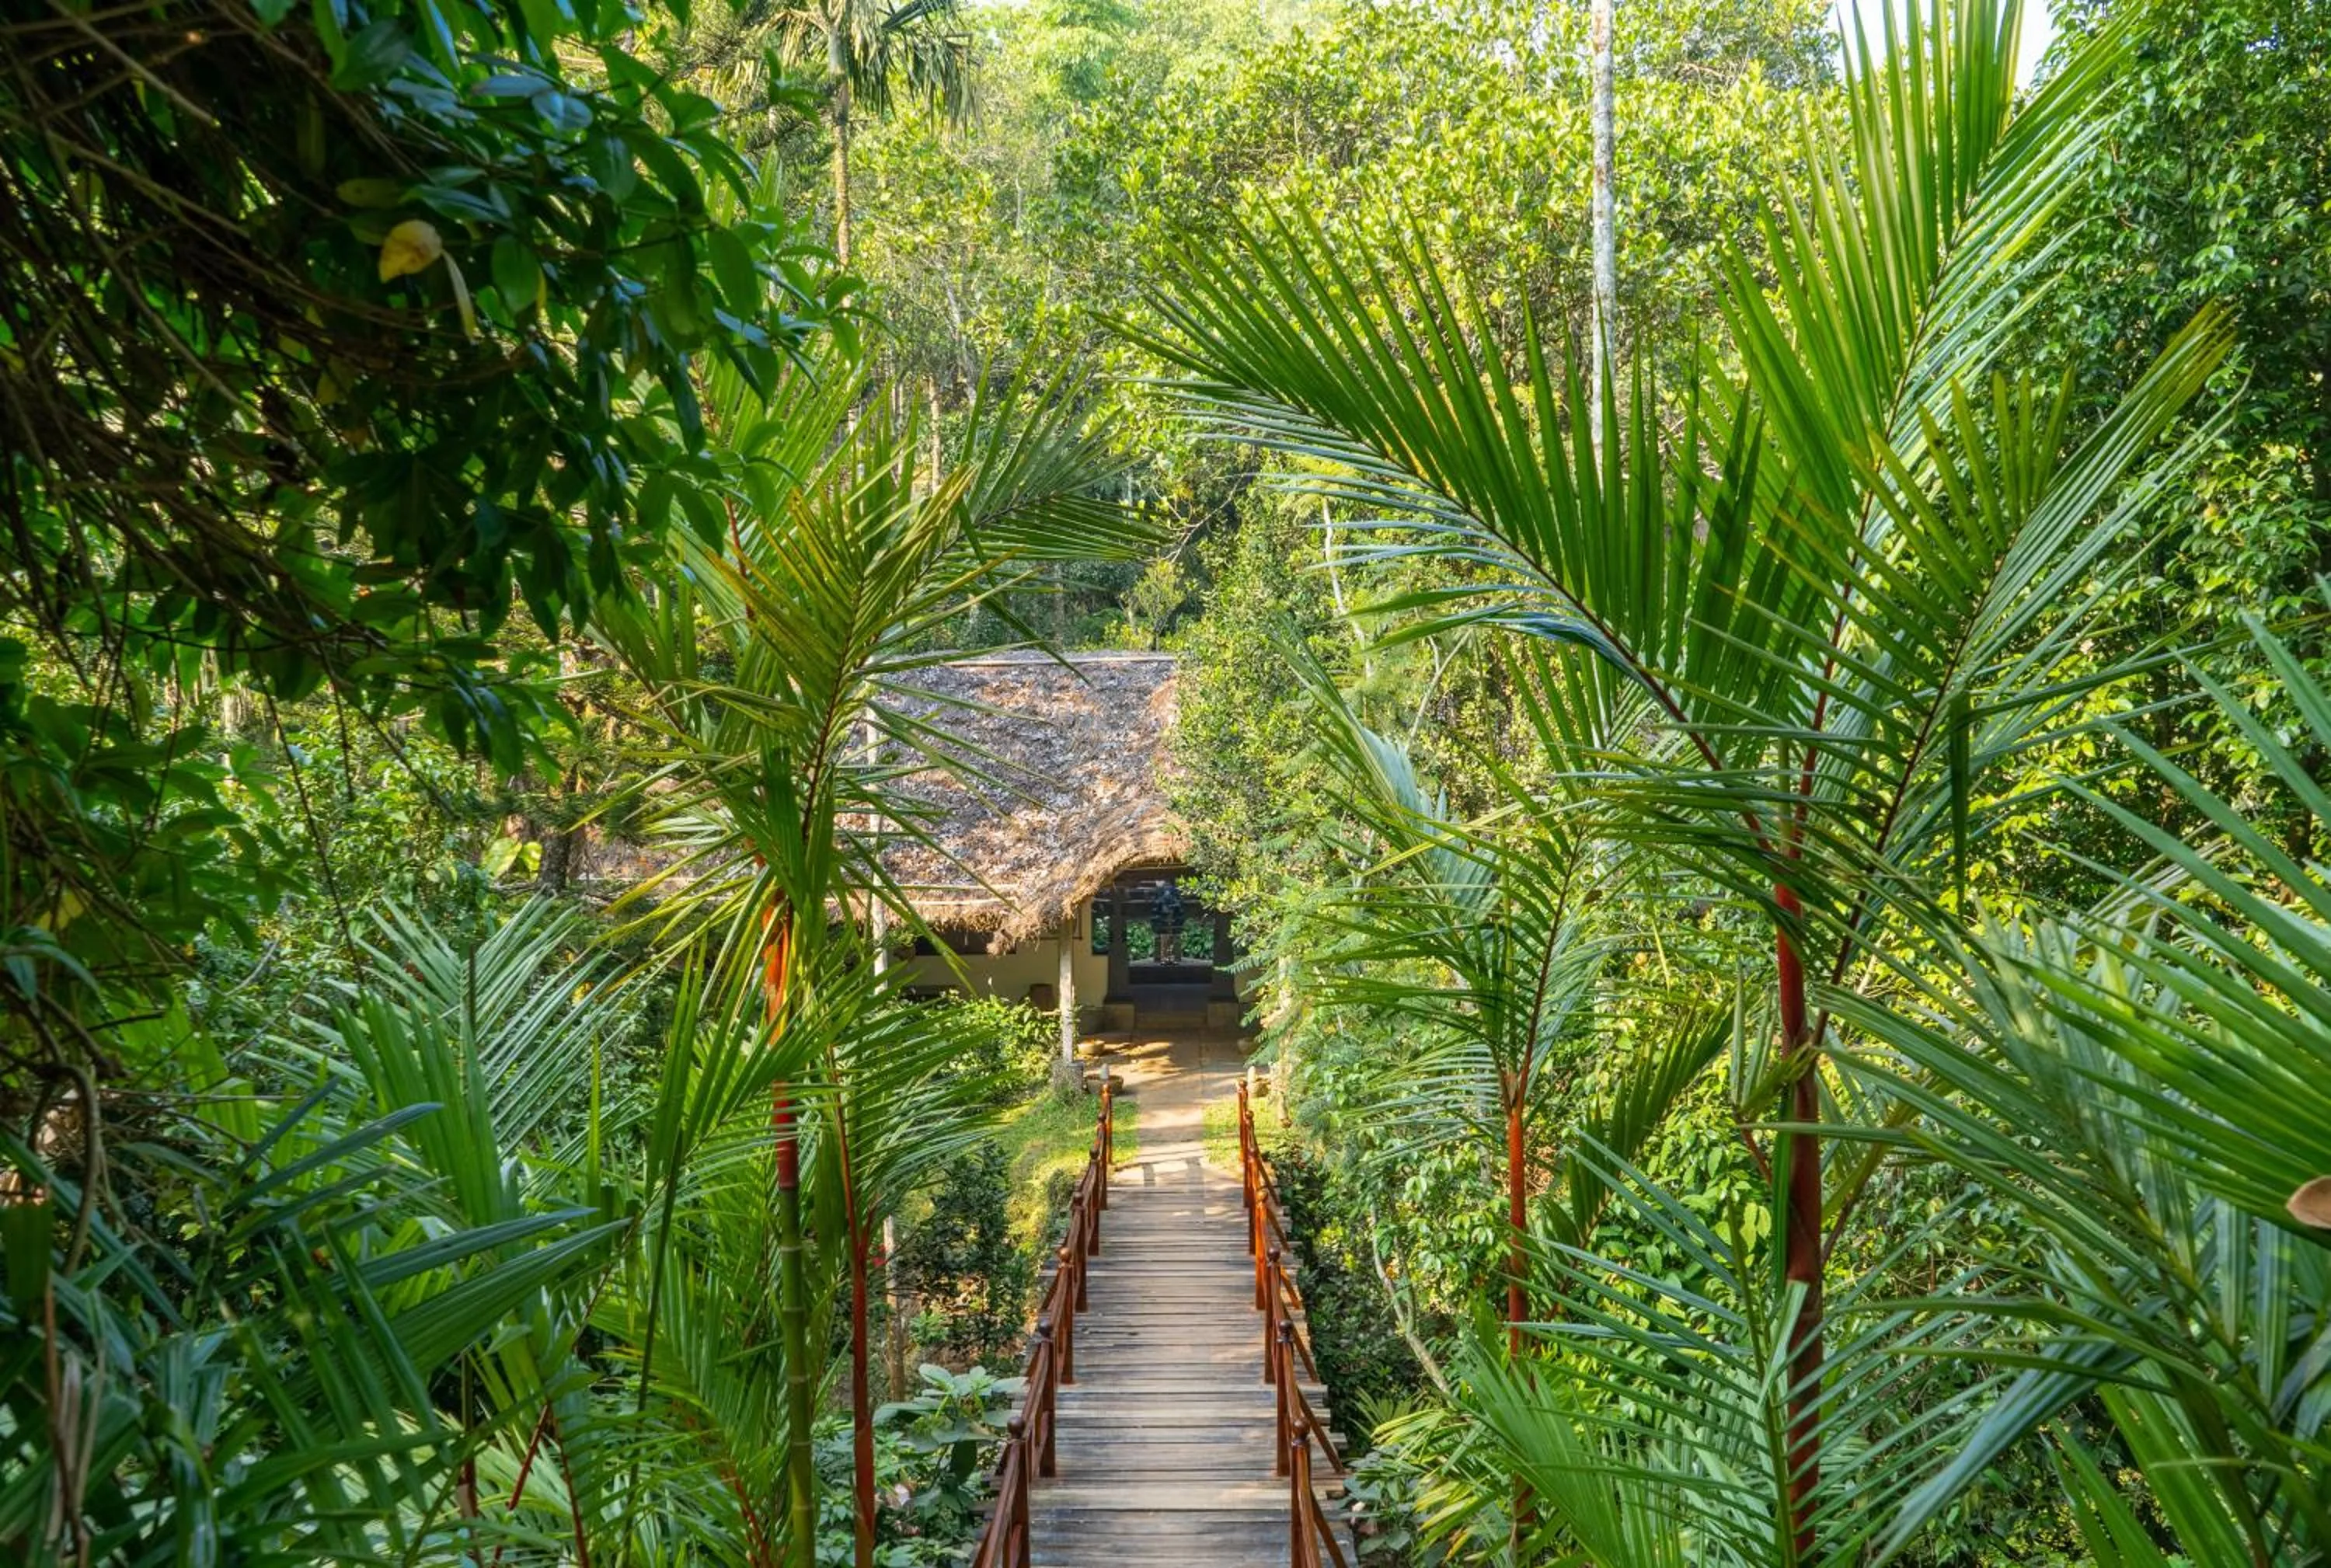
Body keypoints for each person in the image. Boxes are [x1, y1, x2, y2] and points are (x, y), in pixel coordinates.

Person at [1150, 881, 1184, 964]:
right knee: (1165, 936)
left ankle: (1169, 957)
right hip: (1164, 916)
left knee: (1171, 936)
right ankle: (1165, 957)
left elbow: (1178, 902)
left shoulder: (1172, 890)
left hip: (1171, 916)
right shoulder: (1162, 890)